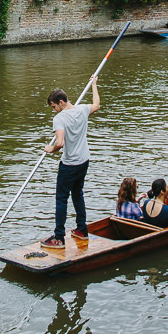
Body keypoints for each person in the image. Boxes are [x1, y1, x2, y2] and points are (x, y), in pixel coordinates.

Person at [40, 78, 100, 249]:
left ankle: (59, 237)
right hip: (84, 161)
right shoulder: (81, 110)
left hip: (69, 164)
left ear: (60, 103)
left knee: (61, 199)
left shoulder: (60, 119)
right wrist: (94, 84)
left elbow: (59, 143)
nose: (53, 111)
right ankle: (82, 229)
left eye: (53, 107)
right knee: (78, 194)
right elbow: (96, 104)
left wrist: (49, 149)